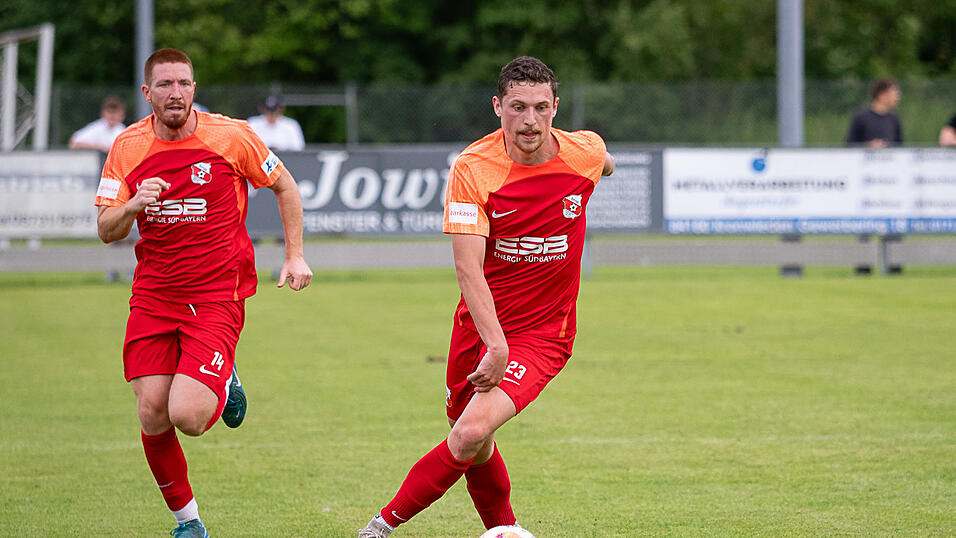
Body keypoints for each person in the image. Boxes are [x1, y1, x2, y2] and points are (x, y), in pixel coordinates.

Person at [358, 56, 615, 538]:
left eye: (541, 107)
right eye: (518, 107)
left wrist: (606, 165)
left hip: (544, 334)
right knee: (473, 442)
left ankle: (379, 528)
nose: (530, 120)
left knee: (471, 431)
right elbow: (467, 267)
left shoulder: (583, 152)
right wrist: (494, 344)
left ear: (556, 107)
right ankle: (505, 530)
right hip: (477, 328)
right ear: (498, 107)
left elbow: (601, 157)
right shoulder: (473, 168)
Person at [94, 48, 312, 537]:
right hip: (153, 296)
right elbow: (106, 229)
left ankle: (225, 376)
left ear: (195, 88)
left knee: (188, 416)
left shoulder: (231, 136)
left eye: (185, 84)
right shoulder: (127, 147)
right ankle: (188, 524)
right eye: (166, 85)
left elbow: (286, 187)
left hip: (217, 294)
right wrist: (132, 205)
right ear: (146, 93)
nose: (176, 93)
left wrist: (294, 254)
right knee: (152, 411)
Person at [845, 78, 903, 148]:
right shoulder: (860, 117)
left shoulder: (894, 119)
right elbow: (849, 145)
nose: (898, 96)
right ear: (881, 95)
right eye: (894, 92)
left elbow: (899, 147)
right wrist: (868, 145)